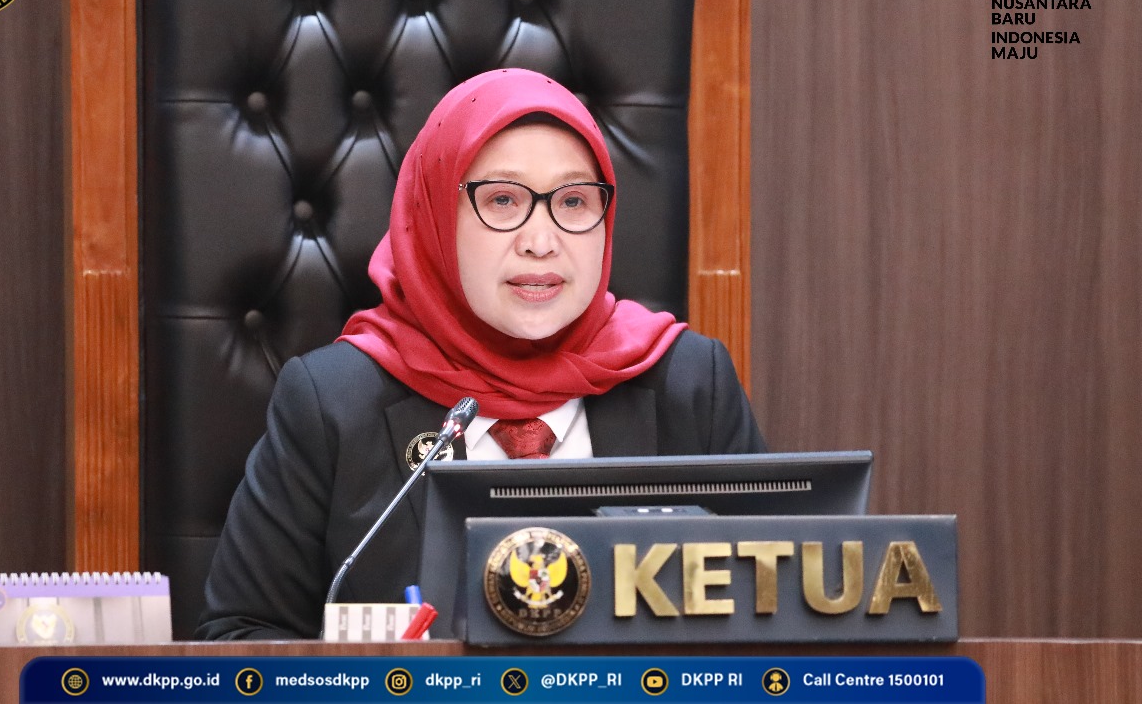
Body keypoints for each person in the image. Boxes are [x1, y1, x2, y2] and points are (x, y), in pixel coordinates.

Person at [196, 69, 765, 639]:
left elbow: (774, 618)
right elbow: (241, 635)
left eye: (572, 201)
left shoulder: (691, 383)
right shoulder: (332, 404)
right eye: (502, 199)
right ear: (436, 218)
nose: (540, 242)